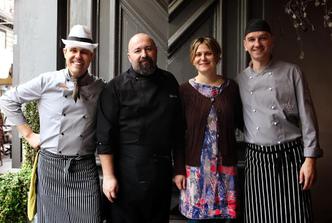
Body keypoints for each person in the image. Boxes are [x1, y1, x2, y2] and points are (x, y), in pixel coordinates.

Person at [0, 24, 105, 222]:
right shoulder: (47, 80)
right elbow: (8, 100)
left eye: (84, 52)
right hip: (51, 167)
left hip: (84, 167)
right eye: (73, 50)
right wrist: (29, 135)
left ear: (91, 56)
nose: (78, 56)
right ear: (65, 52)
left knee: (91, 217)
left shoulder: (100, 87)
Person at [236, 18, 323, 223]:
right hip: (257, 160)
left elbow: (308, 117)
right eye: (252, 39)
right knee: (259, 217)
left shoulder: (292, 71)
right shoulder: (240, 79)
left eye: (262, 38)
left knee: (296, 216)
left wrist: (309, 159)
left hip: (290, 157)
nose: (257, 44)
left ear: (272, 41)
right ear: (245, 44)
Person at [96, 33, 184, 223]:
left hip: (161, 174)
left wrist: (179, 169)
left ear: (156, 52)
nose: (143, 54)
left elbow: (178, 131)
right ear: (129, 56)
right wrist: (109, 177)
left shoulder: (169, 81)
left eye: (148, 49)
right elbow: (105, 137)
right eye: (137, 51)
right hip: (126, 175)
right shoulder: (115, 88)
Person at [173, 37, 243, 223]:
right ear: (192, 58)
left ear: (217, 56)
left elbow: (242, 121)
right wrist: (178, 169)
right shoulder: (184, 91)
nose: (203, 58)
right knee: (196, 219)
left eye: (208, 53)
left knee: (225, 219)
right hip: (195, 170)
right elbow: (178, 135)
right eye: (198, 54)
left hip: (225, 167)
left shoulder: (231, 88)